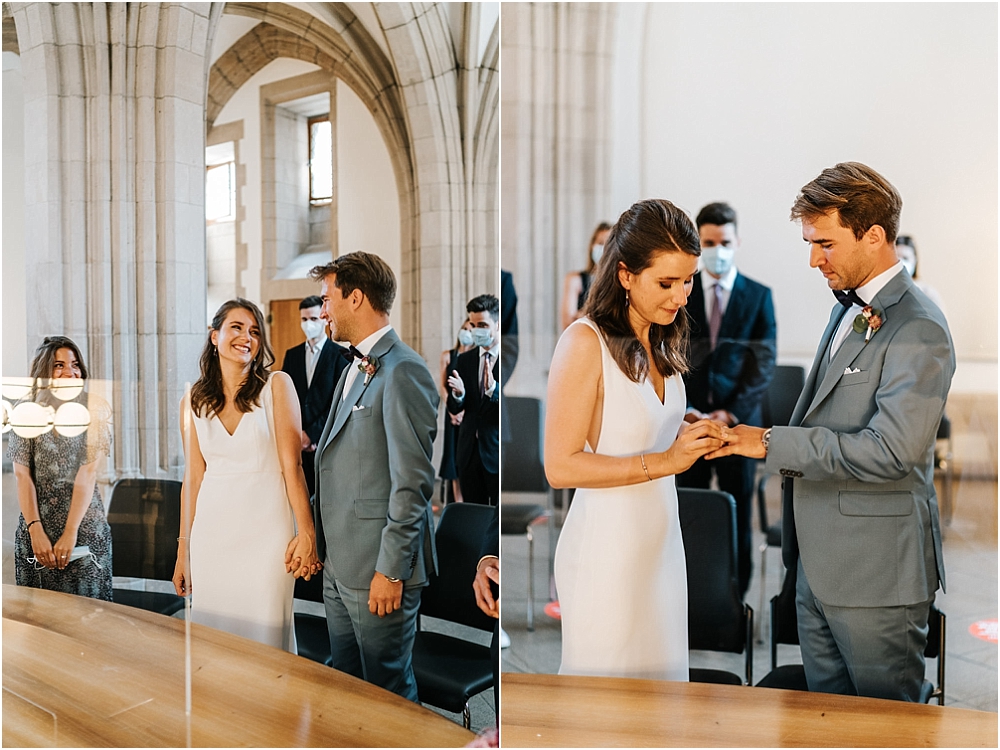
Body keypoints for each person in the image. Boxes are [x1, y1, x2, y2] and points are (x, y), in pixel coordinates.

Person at [709, 162, 954, 702]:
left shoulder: (920, 328)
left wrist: (771, 443)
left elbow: (892, 451)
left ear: (873, 235)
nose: (813, 258)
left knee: (885, 732)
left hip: (874, 575)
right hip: (817, 567)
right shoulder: (848, 309)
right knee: (826, 723)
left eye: (824, 242)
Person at [544, 199, 728, 679]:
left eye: (688, 280)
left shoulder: (662, 335)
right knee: (605, 710)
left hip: (662, 542)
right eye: (666, 283)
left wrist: (690, 427)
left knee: (663, 703)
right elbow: (560, 465)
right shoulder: (584, 343)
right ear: (625, 274)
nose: (681, 295)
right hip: (607, 551)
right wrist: (667, 459)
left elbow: (639, 419)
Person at [308, 252, 438, 702]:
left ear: (356, 297)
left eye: (327, 299)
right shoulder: (351, 368)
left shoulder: (404, 370)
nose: (322, 311)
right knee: (347, 689)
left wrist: (391, 570)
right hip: (340, 564)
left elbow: (414, 483)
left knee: (388, 695)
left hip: (378, 569)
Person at [173, 299, 321, 652]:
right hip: (213, 536)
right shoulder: (192, 401)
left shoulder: (277, 387)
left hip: (267, 536)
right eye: (236, 327)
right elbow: (193, 478)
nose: (246, 337)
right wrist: (184, 549)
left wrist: (307, 532)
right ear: (214, 336)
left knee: (266, 637)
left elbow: (292, 466)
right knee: (214, 641)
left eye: (254, 331)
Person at [677, 201, 776, 597]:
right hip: (689, 422)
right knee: (692, 511)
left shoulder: (758, 295)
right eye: (710, 242)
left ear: (737, 241)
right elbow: (669, 356)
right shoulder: (681, 292)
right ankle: (694, 596)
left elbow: (763, 362)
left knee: (737, 510)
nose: (719, 249)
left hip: (739, 426)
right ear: (700, 244)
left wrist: (730, 411)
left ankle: (735, 597)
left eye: (725, 241)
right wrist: (686, 410)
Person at [9, 336, 113, 600]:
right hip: (36, 524)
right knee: (37, 621)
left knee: (87, 619)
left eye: (75, 364)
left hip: (83, 527)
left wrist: (70, 533)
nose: (70, 372)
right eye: (59, 365)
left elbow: (87, 474)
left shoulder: (95, 408)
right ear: (44, 371)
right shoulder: (25, 409)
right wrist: (35, 530)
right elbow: (23, 475)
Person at [280, 295, 349, 499]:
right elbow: (284, 398)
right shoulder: (292, 355)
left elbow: (339, 402)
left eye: (313, 319)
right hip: (297, 442)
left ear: (323, 319)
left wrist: (312, 434)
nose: (308, 324)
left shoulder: (340, 355)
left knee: (326, 500)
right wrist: (297, 434)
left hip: (325, 441)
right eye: (304, 320)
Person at [447, 294, 501, 506]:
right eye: (473, 324)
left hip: (495, 450)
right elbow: (455, 407)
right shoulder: (465, 359)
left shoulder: (506, 359)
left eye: (483, 325)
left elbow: (505, 413)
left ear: (496, 325)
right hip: (468, 451)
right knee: (473, 514)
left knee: (496, 519)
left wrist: (492, 390)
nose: (477, 330)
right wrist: (458, 396)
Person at [438, 318, 475, 503]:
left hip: (467, 412)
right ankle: (456, 501)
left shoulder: (475, 357)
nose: (467, 332)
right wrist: (453, 410)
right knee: (452, 456)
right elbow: (443, 386)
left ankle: (467, 499)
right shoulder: (448, 355)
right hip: (452, 412)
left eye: (471, 329)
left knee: (465, 456)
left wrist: (462, 412)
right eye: (465, 328)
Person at [560, 222, 612, 330]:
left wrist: (583, 314)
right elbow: (568, 323)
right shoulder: (575, 279)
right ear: (592, 246)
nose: (603, 249)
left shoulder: (622, 281)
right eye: (600, 243)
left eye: (608, 244)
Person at [895, 235, 947, 318]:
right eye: (897, 258)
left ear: (915, 260)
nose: (902, 262)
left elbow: (940, 325)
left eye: (905, 258)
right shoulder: (885, 292)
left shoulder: (928, 294)